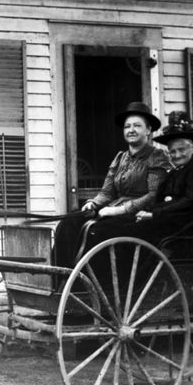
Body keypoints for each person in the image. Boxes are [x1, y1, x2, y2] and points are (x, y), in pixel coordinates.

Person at [52, 101, 170, 267]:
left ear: (148, 130)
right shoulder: (120, 158)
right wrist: (94, 203)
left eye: (137, 126)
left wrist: (118, 210)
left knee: (98, 232)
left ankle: (94, 283)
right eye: (127, 126)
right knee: (68, 223)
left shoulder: (156, 157)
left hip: (139, 216)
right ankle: (61, 276)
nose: (131, 130)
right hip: (113, 210)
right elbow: (107, 192)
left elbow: (153, 196)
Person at [87, 111, 193, 249]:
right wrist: (148, 212)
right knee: (116, 227)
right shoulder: (174, 172)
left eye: (182, 150)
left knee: (121, 231)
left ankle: (128, 268)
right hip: (172, 220)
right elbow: (161, 199)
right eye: (172, 151)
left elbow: (188, 203)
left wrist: (153, 214)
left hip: (191, 225)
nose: (177, 155)